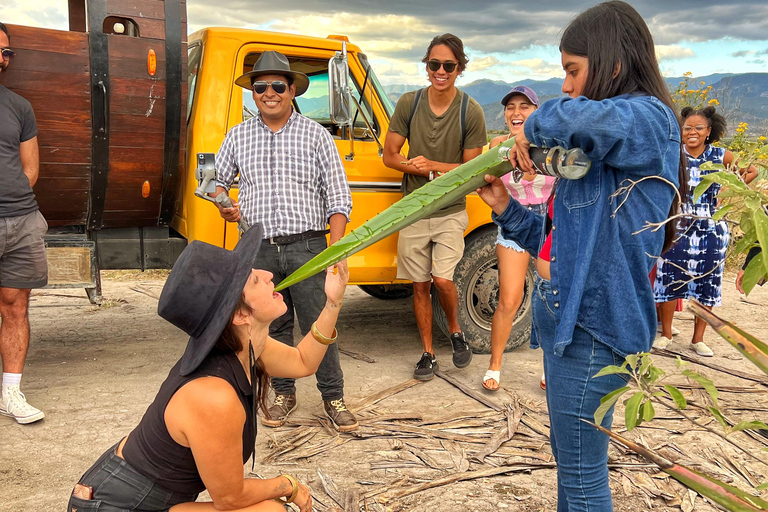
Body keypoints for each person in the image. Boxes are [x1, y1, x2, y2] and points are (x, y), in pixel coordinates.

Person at [476, 2, 685, 509]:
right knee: (576, 472)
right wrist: (504, 206)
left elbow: (584, 118)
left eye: (573, 70)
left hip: (596, 328)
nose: (567, 85)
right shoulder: (594, 159)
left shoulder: (649, 120)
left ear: (613, 64)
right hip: (570, 326)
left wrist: (530, 124)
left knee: (584, 480)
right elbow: (550, 243)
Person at [68, 223, 348, 512]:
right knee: (271, 510)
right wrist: (287, 484)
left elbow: (304, 362)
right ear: (240, 314)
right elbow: (230, 498)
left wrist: (333, 302)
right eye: (254, 279)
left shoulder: (245, 347)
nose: (268, 275)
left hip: (144, 495)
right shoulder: (214, 395)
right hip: (114, 503)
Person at [214, 51, 356, 431]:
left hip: (309, 246)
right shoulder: (238, 136)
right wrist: (225, 206)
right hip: (258, 247)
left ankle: (333, 397)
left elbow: (339, 198)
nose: (269, 93)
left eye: (278, 85)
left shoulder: (316, 135)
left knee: (319, 323)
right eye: (261, 86)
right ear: (253, 93)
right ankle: (283, 393)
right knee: (270, 325)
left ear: (292, 90)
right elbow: (215, 182)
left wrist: (336, 252)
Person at [383, 33, 487, 381]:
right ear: (426, 66)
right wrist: (409, 166)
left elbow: (473, 170)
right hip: (413, 210)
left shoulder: (469, 110)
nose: (440, 71)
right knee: (419, 285)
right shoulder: (409, 103)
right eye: (434, 64)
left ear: (459, 69)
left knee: (443, 280)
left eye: (448, 65)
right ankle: (427, 353)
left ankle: (455, 331)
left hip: (450, 211)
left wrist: (432, 165)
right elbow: (390, 155)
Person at [653, 106, 758, 356]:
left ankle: (698, 339)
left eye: (698, 128)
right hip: (677, 225)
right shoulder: (673, 154)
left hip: (711, 228)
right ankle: (666, 333)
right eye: (687, 127)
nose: (692, 132)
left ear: (709, 131)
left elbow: (752, 170)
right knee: (669, 278)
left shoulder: (721, 155)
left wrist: (731, 189)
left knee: (707, 282)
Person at [482, 86, 554, 392]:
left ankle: (550, 369)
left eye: (524, 106)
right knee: (509, 299)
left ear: (537, 112)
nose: (516, 112)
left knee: (549, 300)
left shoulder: (552, 147)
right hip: (513, 223)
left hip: (549, 226)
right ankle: (494, 365)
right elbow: (483, 179)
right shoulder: (498, 147)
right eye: (511, 107)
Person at [0, 21, 48, 425]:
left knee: (16, 306)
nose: (2, 59)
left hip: (22, 219)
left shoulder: (19, 105)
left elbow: (30, 168)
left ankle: (10, 393)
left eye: (6, 53)